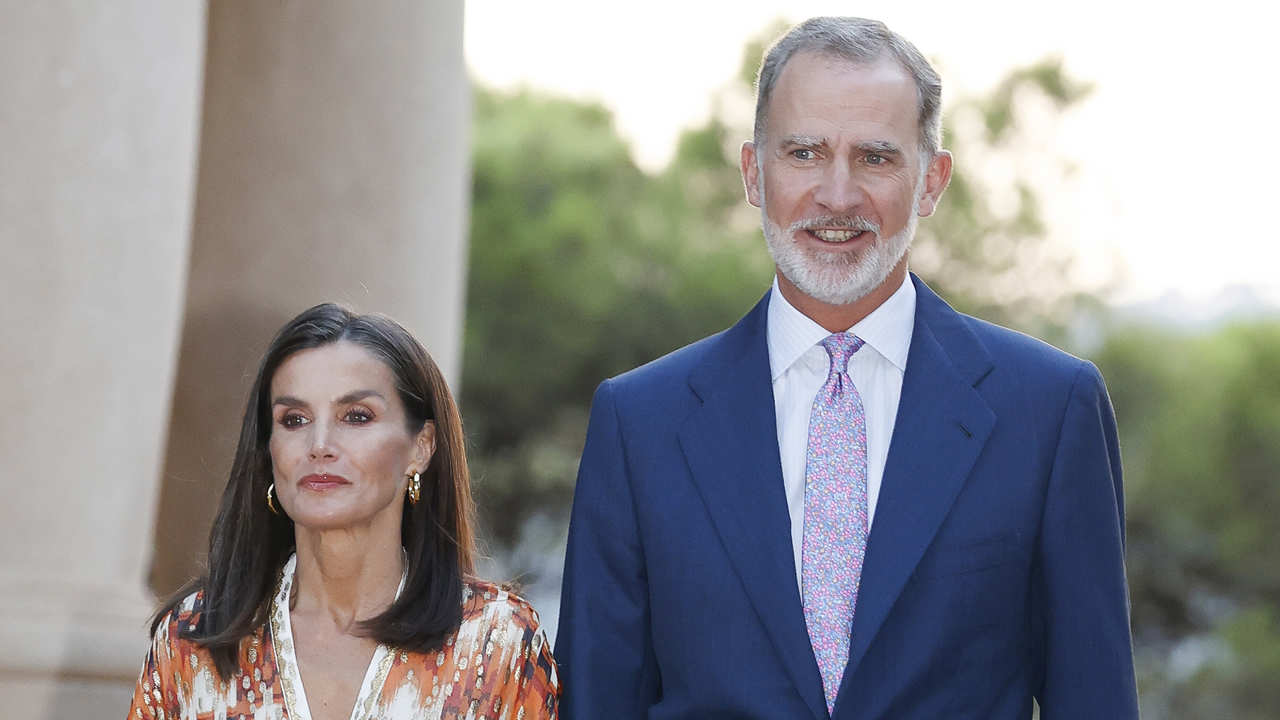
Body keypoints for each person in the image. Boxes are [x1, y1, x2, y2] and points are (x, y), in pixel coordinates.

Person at [556, 16, 1137, 720]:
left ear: (931, 182)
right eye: (803, 152)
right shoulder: (639, 423)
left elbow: (1095, 700)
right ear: (752, 173)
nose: (837, 195)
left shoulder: (1049, 411)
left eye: (876, 158)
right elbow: (596, 702)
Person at [128, 304, 559, 719]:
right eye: (294, 419)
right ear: (268, 450)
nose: (319, 445)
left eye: (356, 416)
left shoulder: (493, 641)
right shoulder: (192, 640)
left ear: (421, 446)